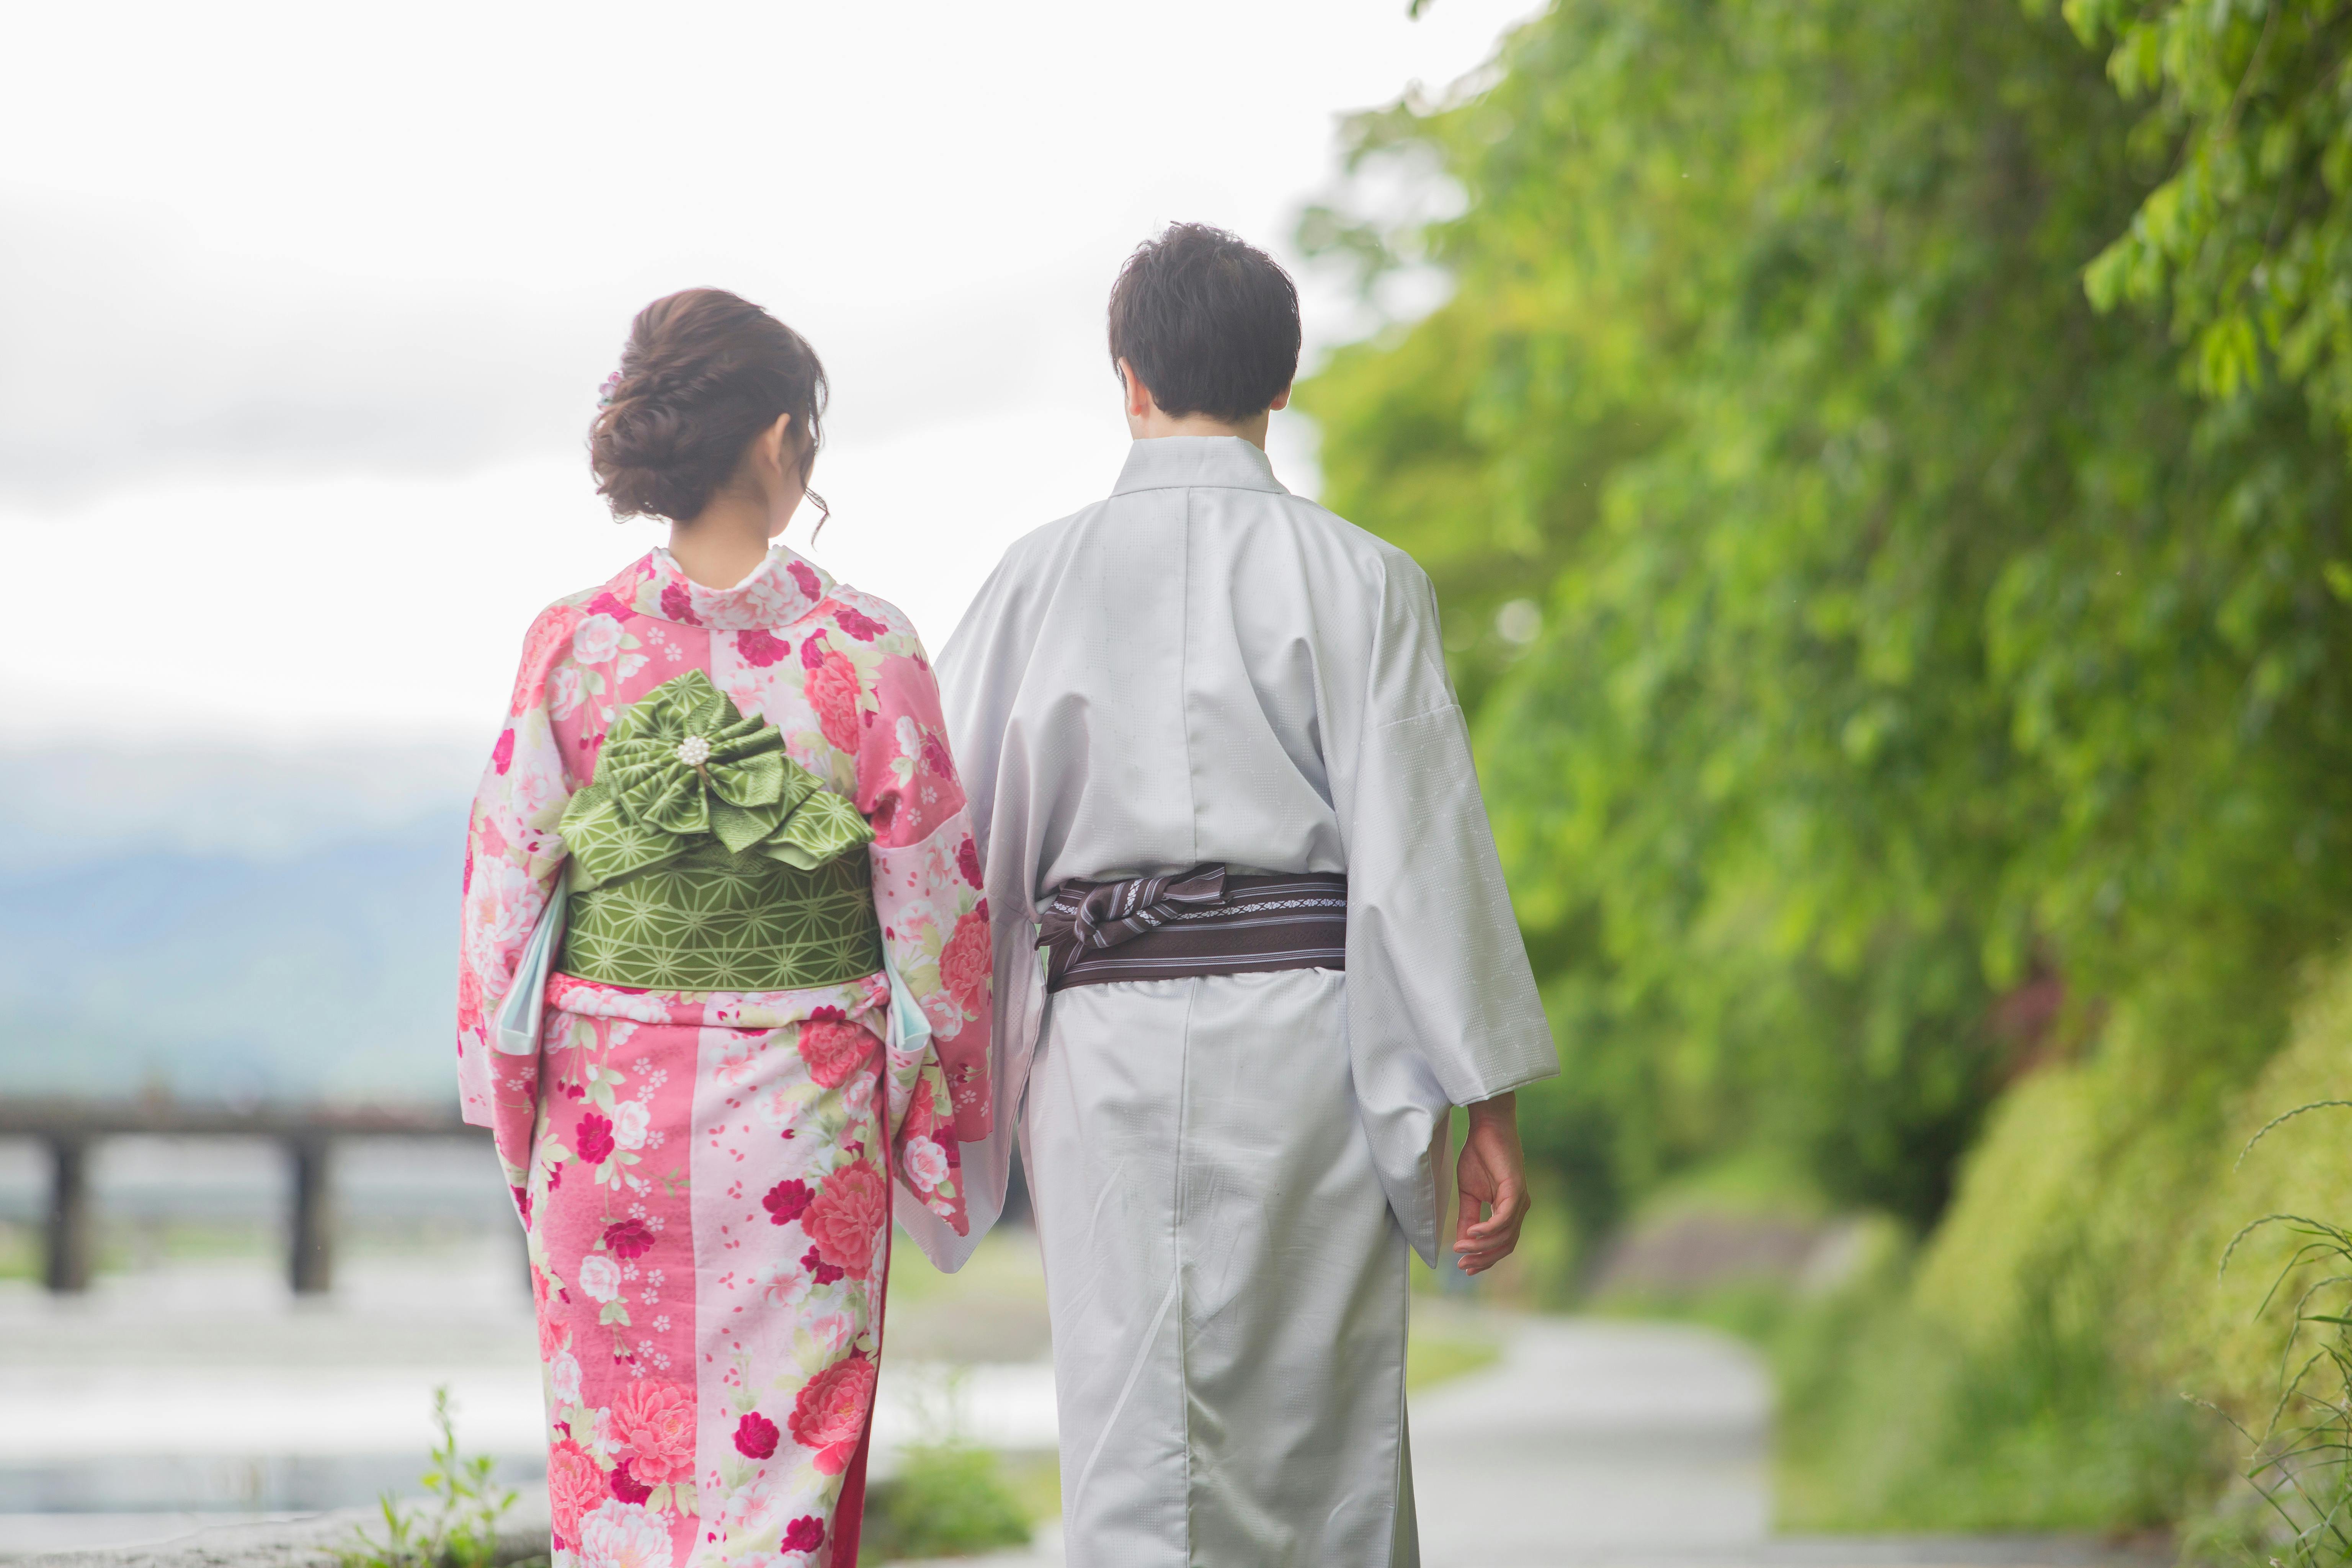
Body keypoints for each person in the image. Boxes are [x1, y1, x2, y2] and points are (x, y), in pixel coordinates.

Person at [930, 224, 1559, 1566]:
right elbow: (1424, 845)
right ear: (1285, 383)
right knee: (1319, 1427)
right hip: (1312, 1043)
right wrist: (1483, 1096)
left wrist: (926, 1087)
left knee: (1124, 1416)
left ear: (1128, 377)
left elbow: (954, 857)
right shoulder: (1365, 577)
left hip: (1100, 1049)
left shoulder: (1035, 578)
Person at [454, 288, 992, 1568]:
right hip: (804, 1125)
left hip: (608, 1117)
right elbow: (937, 921)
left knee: (621, 1480)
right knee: (785, 1486)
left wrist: (515, 1107)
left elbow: (502, 903)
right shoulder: (868, 648)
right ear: (776, 438)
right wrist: (944, 1105)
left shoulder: (574, 646)